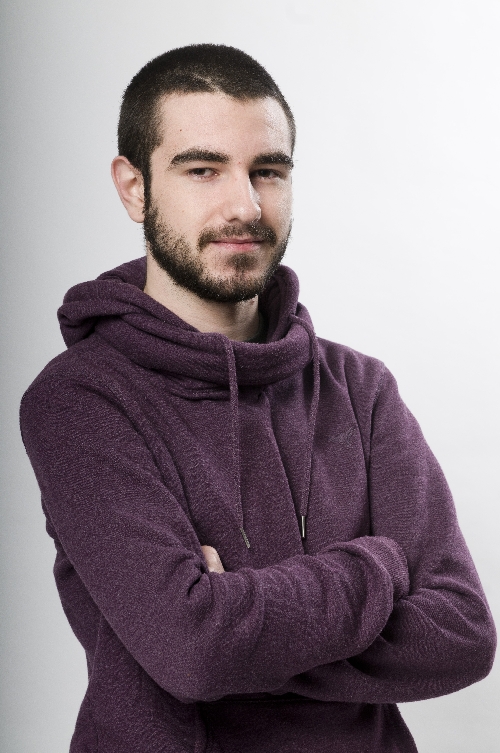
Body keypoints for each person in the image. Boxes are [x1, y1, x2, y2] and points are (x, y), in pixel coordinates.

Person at [20, 43, 496, 753]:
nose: (244, 205)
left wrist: (237, 621)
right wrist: (376, 568)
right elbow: (195, 650)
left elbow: (462, 633)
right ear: (134, 188)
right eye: (203, 170)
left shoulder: (361, 389)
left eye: (267, 171)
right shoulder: (80, 399)